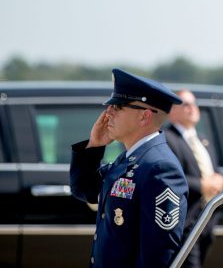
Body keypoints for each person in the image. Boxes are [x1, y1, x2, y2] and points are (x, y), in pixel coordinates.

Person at [69, 69, 188, 268]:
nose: (109, 112)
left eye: (118, 106)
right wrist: (94, 146)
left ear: (144, 117)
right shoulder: (130, 158)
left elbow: (158, 253)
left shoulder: (159, 166)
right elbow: (85, 190)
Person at [165, 89, 223, 268]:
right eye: (185, 104)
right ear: (171, 110)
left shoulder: (202, 138)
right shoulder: (167, 139)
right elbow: (168, 177)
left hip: (206, 221)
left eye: (194, 103)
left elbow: (214, 171)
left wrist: (221, 181)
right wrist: (201, 185)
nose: (192, 108)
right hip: (185, 223)